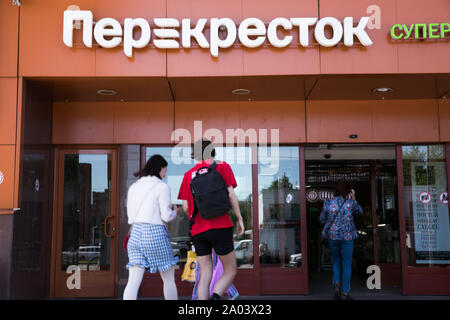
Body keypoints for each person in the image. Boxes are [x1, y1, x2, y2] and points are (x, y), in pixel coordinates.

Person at [178, 139, 245, 300]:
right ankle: (216, 296)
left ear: (195, 155)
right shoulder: (222, 167)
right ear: (212, 152)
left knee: (205, 274)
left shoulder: (188, 175)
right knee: (230, 269)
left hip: (198, 231)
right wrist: (240, 218)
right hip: (221, 226)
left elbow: (186, 208)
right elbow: (231, 195)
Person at [123, 154, 179, 300]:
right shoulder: (162, 187)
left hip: (135, 233)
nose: (165, 174)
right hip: (154, 233)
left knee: (133, 281)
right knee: (168, 278)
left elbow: (130, 216)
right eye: (165, 170)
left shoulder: (133, 187)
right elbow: (166, 216)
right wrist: (175, 212)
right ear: (159, 168)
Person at [320, 180, 363, 300]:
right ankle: (345, 292)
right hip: (347, 237)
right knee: (347, 263)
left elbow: (322, 219)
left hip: (333, 237)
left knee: (336, 261)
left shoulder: (327, 202)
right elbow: (360, 211)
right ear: (348, 191)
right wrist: (354, 197)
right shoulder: (350, 203)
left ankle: (336, 284)